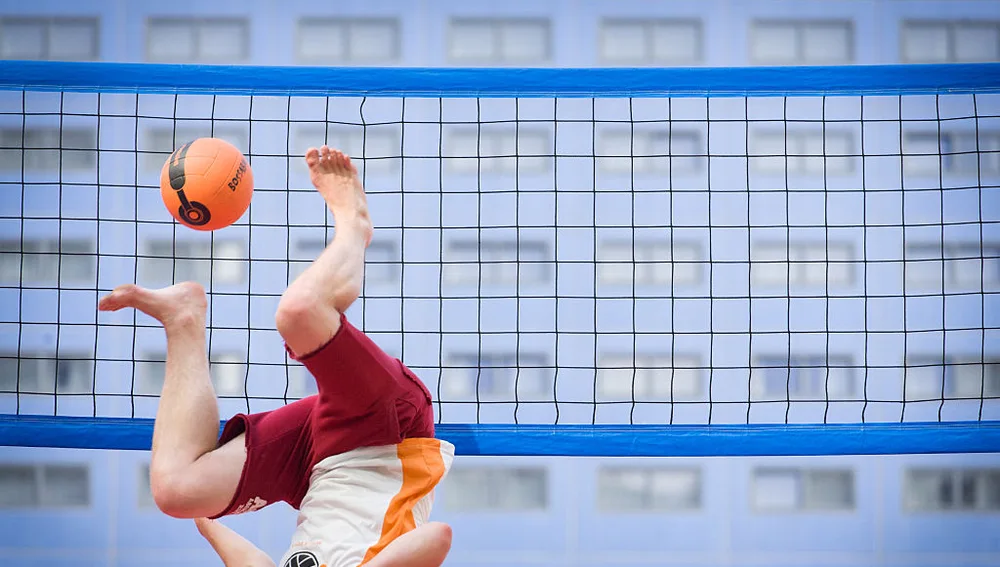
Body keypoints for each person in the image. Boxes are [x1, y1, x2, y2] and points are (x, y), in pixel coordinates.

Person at [98, 146, 455, 567]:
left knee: (176, 492)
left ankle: (183, 318)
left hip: (314, 468)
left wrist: (209, 510)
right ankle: (353, 227)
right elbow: (436, 538)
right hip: (385, 435)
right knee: (299, 313)